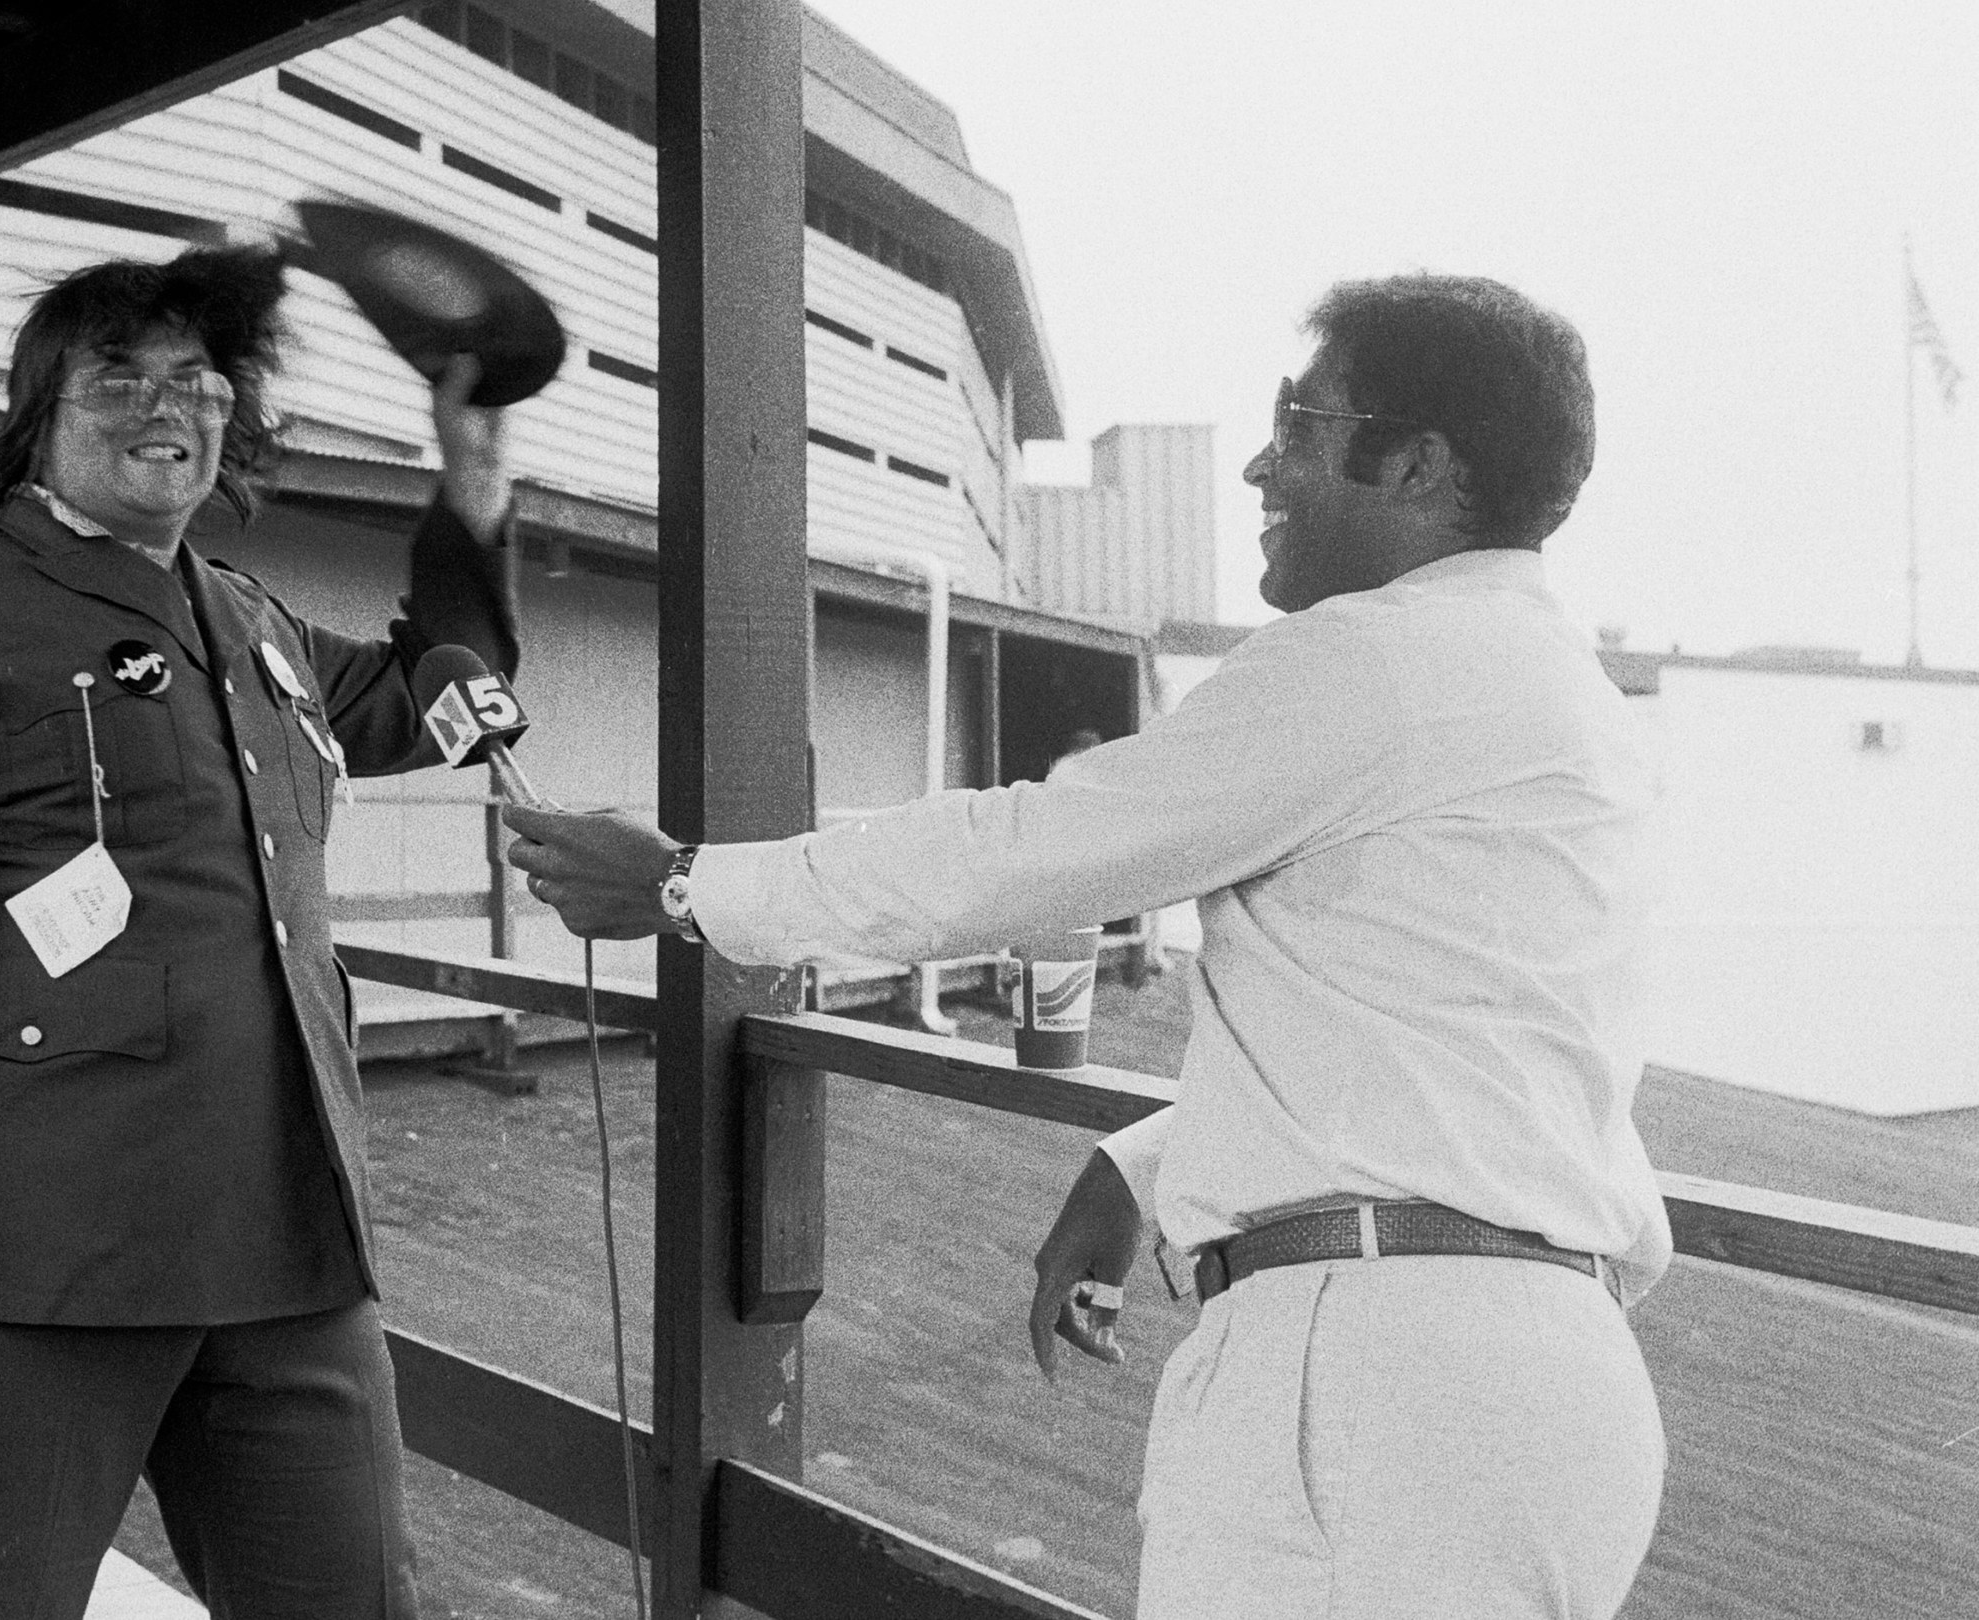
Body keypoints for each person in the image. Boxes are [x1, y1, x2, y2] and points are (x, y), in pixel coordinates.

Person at [504, 274, 1670, 1620]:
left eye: (1299, 420)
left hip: (1377, 1391)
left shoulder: (1380, 659)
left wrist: (688, 886)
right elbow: (1450, 1042)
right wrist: (1146, 1166)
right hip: (1532, 1386)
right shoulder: (1567, 702)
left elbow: (1032, 850)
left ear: (1415, 464)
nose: (1259, 459)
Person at [0, 243, 518, 1619]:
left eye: (200, 381)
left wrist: (467, 493)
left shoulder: (251, 620)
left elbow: (422, 694)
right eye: (119, 376)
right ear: (40, 413)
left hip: (285, 1249)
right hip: (24, 1261)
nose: (168, 407)